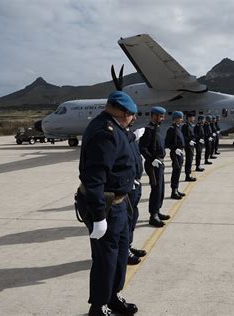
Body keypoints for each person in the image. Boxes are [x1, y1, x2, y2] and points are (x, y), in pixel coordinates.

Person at [77, 91, 139, 316]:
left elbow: (124, 144)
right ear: (123, 112)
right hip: (105, 206)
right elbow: (93, 178)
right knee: (106, 258)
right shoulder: (105, 132)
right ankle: (99, 306)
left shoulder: (115, 127)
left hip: (120, 204)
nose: (133, 119)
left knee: (121, 253)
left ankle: (113, 297)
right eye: (131, 115)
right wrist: (99, 216)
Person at [139, 106, 171, 228]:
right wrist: (151, 159)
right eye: (160, 116)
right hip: (153, 164)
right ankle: (153, 216)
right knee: (156, 189)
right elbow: (142, 147)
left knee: (161, 189)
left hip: (160, 163)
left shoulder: (158, 129)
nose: (162, 118)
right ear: (153, 116)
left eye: (163, 116)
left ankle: (157, 210)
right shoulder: (149, 130)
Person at [126, 124, 147, 265]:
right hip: (128, 185)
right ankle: (124, 251)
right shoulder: (122, 137)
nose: (134, 118)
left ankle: (128, 245)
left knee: (133, 217)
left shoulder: (131, 137)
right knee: (126, 220)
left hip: (136, 183)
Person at [165, 111, 186, 199]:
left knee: (178, 172)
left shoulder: (178, 128)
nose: (182, 120)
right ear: (176, 119)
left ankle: (176, 189)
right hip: (175, 153)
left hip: (180, 153)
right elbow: (167, 143)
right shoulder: (171, 129)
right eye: (180, 118)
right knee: (176, 172)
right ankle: (173, 191)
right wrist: (175, 149)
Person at [181, 112, 197, 182]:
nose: (194, 118)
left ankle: (188, 174)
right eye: (193, 117)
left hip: (191, 145)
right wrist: (188, 141)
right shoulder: (185, 126)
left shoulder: (191, 125)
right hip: (188, 146)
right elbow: (184, 136)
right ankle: (187, 175)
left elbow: (192, 135)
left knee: (190, 160)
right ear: (189, 118)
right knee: (188, 160)